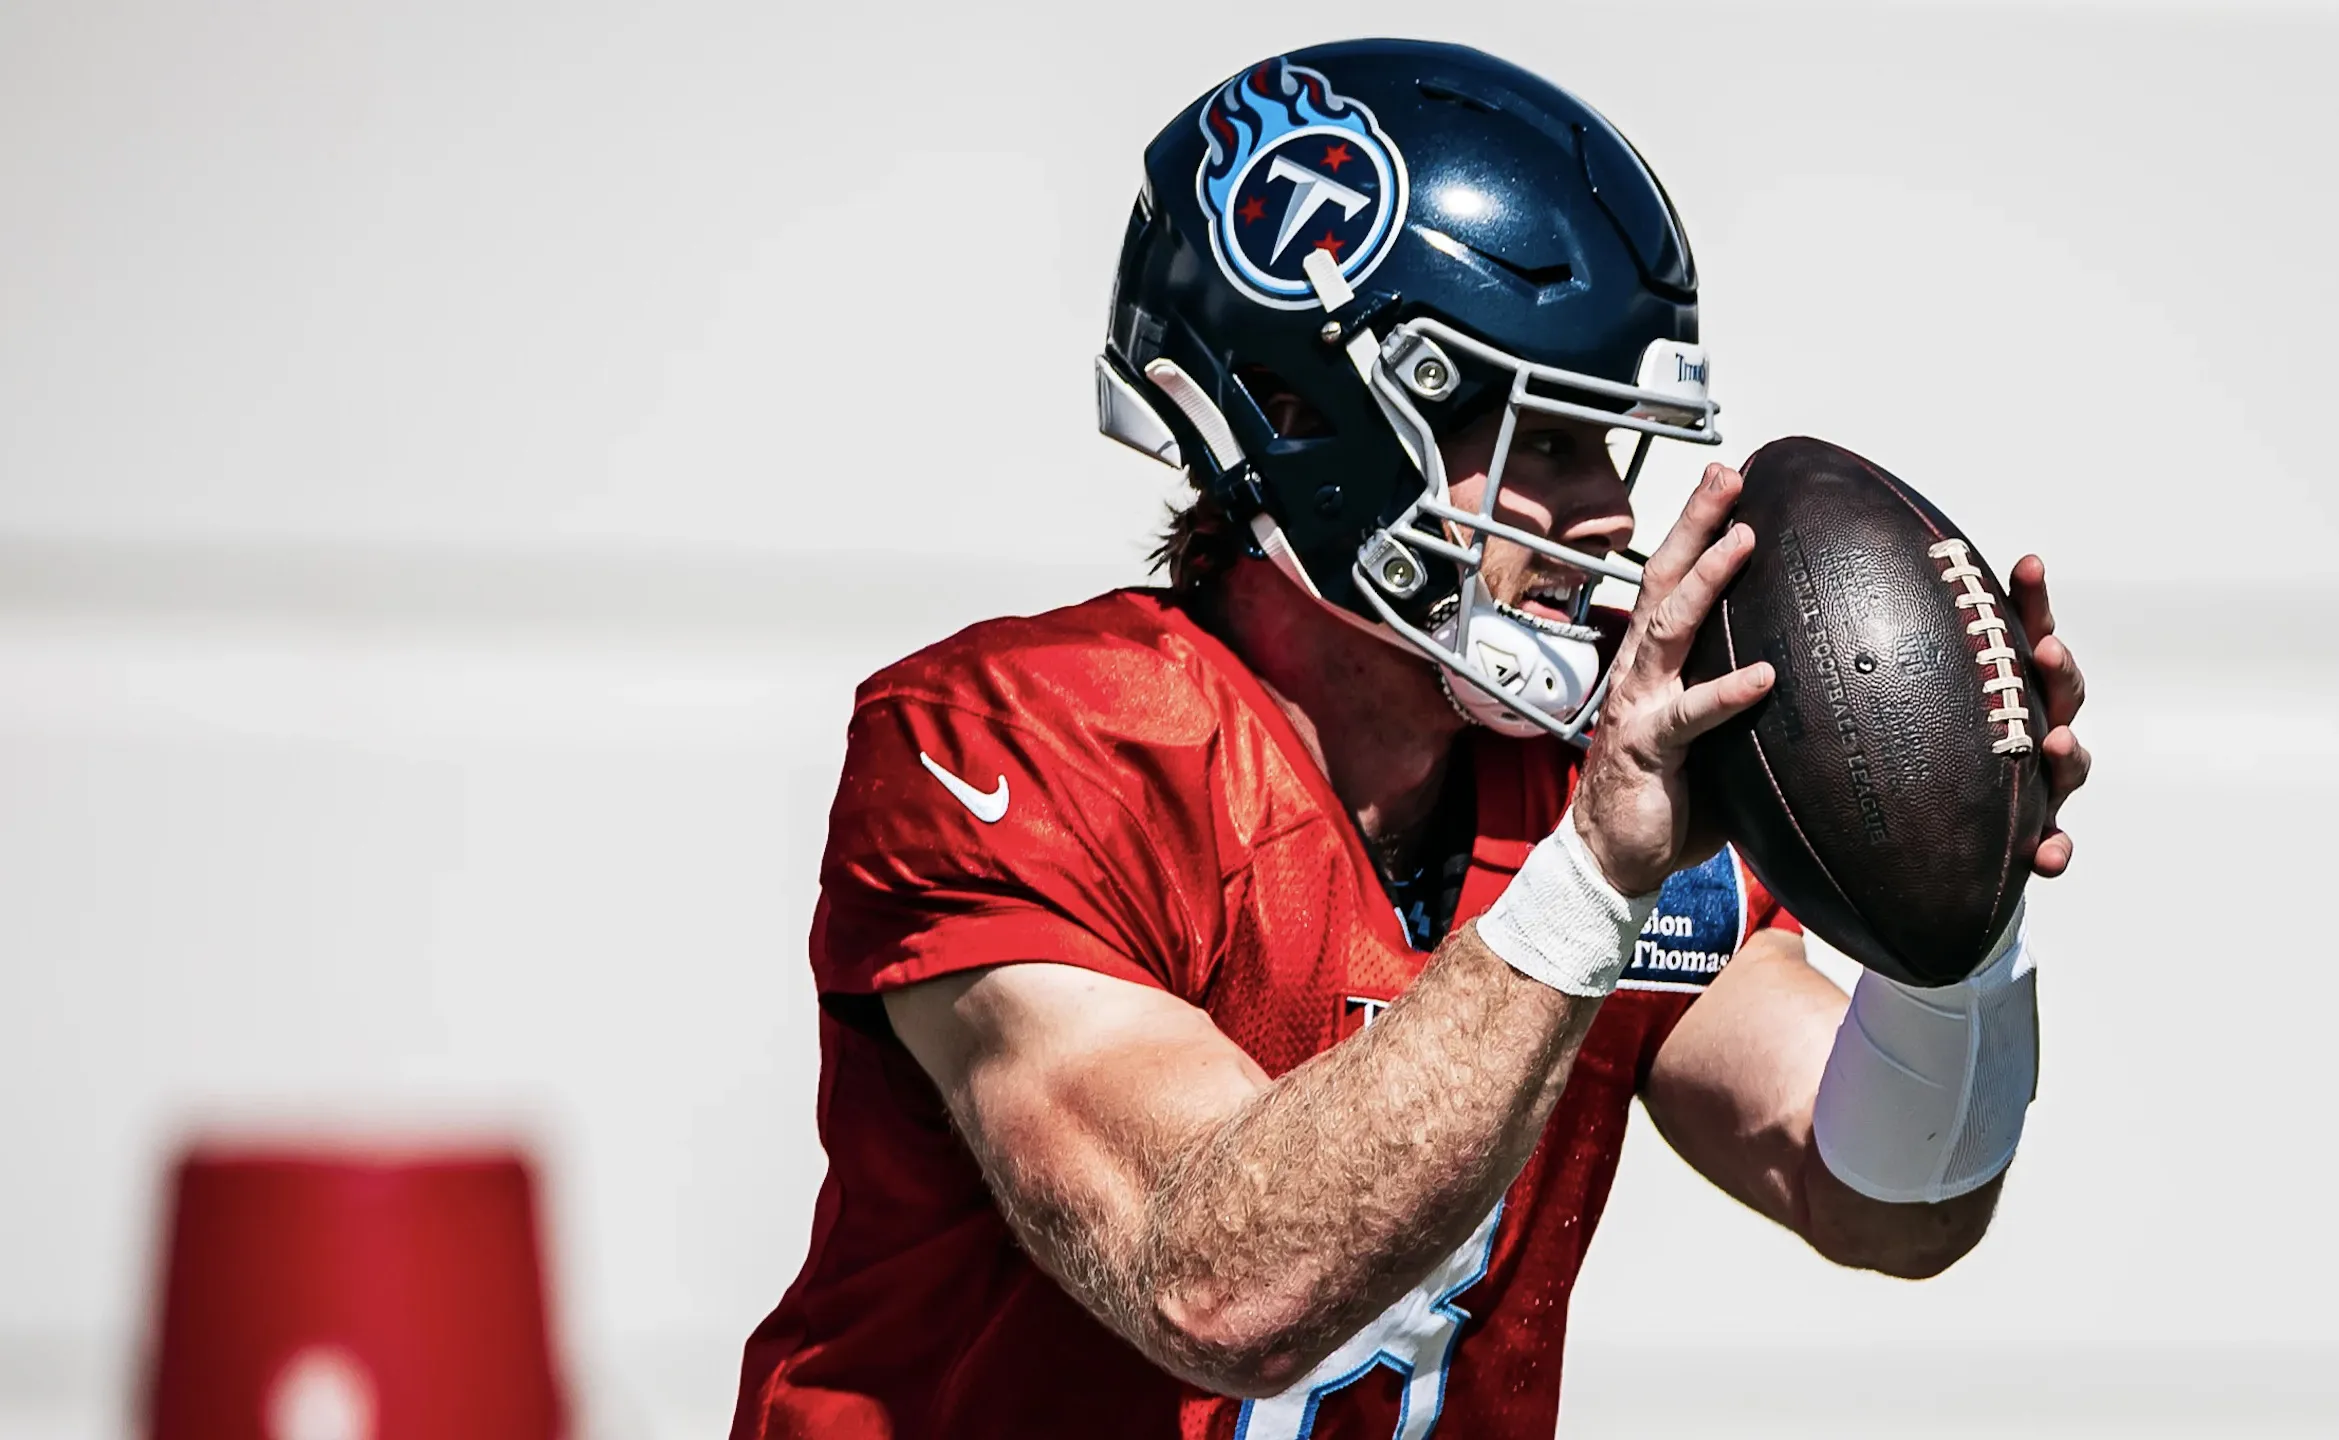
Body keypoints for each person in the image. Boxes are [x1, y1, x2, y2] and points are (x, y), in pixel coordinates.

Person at [730, 38, 2091, 1440]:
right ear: (1309, 422)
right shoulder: (1028, 742)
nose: (1610, 519)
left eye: (1600, 450)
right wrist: (1586, 893)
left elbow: (1880, 1199)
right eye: (1539, 445)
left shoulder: (1578, 787)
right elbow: (1216, 1288)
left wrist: (1962, 924)